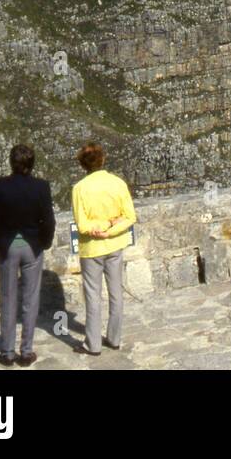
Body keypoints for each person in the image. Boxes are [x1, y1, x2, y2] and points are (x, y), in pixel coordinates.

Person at [0, 144, 56, 367]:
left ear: (11, 162)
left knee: (8, 298)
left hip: (7, 246)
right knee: (30, 300)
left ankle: (7, 352)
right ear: (32, 164)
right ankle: (27, 350)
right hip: (32, 246)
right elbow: (48, 220)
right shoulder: (41, 187)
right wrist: (45, 242)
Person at [71, 144, 137, 356]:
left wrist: (98, 229)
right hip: (115, 245)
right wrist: (110, 228)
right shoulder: (117, 183)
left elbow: (82, 225)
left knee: (93, 295)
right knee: (116, 293)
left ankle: (93, 344)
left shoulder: (79, 189)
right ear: (102, 160)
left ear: (82, 164)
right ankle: (114, 338)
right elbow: (130, 217)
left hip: (91, 248)